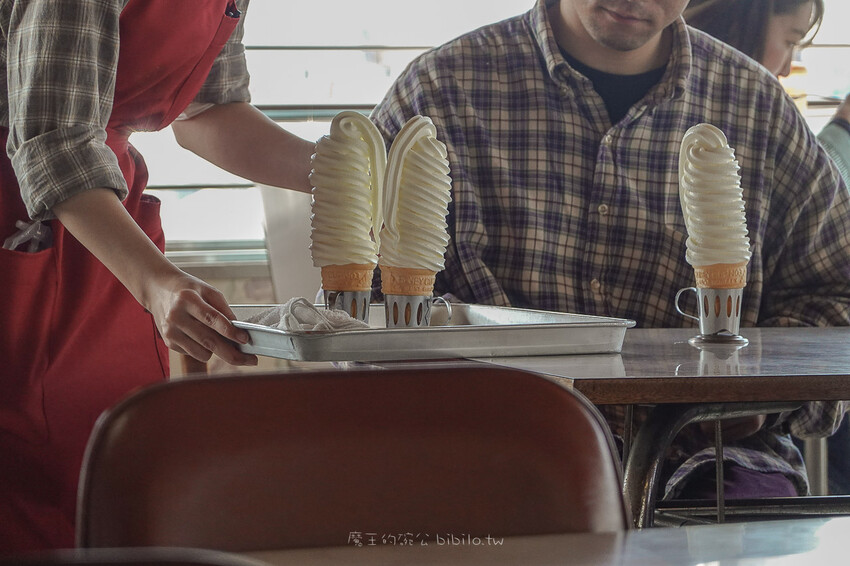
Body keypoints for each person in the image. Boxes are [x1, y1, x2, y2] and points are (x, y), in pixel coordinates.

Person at [370, 0, 850, 502]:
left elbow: (833, 295)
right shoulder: (440, 91)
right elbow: (372, 305)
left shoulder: (756, 107)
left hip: (709, 462)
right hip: (485, 453)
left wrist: (757, 394)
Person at [0, 0, 316, 552]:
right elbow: (54, 143)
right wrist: (155, 282)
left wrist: (343, 172)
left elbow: (209, 113)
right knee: (35, 476)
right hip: (27, 206)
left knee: (113, 456)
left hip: (107, 220)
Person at [685, 0, 850, 495]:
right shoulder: (741, 104)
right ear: (747, 19)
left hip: (740, 438)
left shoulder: (761, 106)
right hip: (723, 440)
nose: (786, 63)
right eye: (792, 40)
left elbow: (827, 273)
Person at [684, 0, 849, 186]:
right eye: (790, 42)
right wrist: (843, 126)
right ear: (750, 19)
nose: (786, 69)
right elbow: (804, 190)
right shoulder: (755, 117)